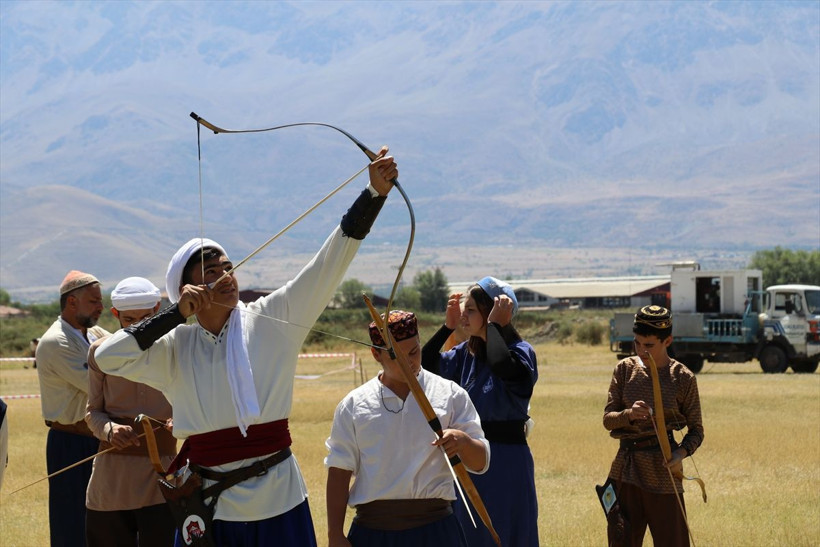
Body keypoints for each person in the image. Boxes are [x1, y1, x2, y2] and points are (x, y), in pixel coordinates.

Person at [95, 149, 398, 546]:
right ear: (188, 289)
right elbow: (106, 357)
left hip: (281, 499)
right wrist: (174, 315)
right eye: (211, 273)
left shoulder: (273, 317)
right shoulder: (175, 345)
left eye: (228, 268)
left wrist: (373, 194)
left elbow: (330, 262)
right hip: (209, 505)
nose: (226, 277)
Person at [325, 310, 489, 547]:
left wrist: (463, 442)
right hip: (372, 533)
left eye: (414, 352)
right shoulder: (353, 405)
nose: (409, 363)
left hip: (436, 532)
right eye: (397, 357)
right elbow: (338, 472)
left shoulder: (450, 394)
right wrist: (334, 535)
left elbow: (481, 462)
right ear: (376, 354)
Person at [421, 276, 539, 546]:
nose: (464, 314)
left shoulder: (521, 352)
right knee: (471, 533)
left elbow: (501, 363)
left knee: (508, 530)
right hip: (469, 456)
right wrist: (446, 328)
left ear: (493, 312)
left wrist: (496, 325)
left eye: (471, 309)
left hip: (507, 461)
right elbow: (424, 366)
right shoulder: (464, 354)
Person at [85, 277, 177, 546]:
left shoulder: (178, 348)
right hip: (112, 478)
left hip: (164, 476)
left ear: (159, 309)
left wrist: (181, 420)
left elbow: (193, 403)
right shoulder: (99, 352)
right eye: (129, 320)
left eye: (147, 318)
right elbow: (92, 412)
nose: (139, 327)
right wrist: (110, 430)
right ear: (116, 315)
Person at [603, 305, 704, 547]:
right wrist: (629, 414)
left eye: (649, 345)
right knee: (621, 541)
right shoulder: (625, 369)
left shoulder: (683, 377)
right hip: (625, 470)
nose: (641, 350)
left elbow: (697, 431)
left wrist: (680, 453)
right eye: (637, 343)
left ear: (667, 340)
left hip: (663, 472)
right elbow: (608, 419)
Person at [35, 270, 109, 547]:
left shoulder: (94, 333)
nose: (101, 307)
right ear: (72, 302)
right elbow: (102, 383)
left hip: (96, 439)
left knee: (103, 521)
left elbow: (123, 351)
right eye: (94, 301)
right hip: (71, 442)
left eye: (100, 301)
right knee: (73, 524)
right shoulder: (57, 341)